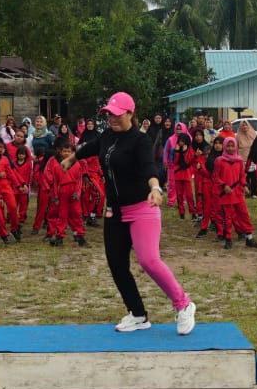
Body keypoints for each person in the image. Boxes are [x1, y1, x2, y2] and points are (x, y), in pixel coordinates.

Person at [69, 92, 196, 335]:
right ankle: (137, 314)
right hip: (114, 211)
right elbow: (91, 148)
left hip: (142, 208)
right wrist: (72, 158)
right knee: (117, 265)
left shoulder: (140, 140)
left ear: (130, 113)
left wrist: (155, 188)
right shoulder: (107, 136)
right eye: (109, 114)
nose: (112, 119)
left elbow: (149, 166)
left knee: (148, 260)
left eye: (117, 115)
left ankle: (184, 304)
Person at [212, 136, 257, 250]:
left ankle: (249, 237)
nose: (230, 148)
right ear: (224, 147)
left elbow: (242, 176)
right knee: (228, 217)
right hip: (226, 193)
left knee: (244, 215)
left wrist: (244, 186)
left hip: (237, 192)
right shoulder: (219, 161)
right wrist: (224, 185)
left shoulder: (239, 161)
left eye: (232, 146)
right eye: (228, 146)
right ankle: (228, 238)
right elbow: (216, 177)